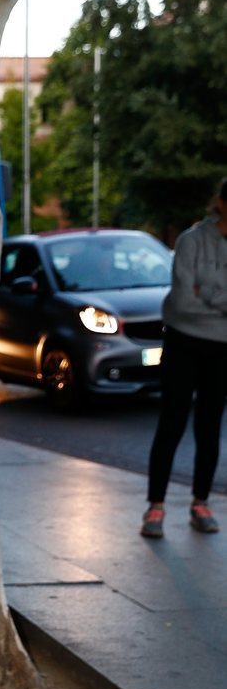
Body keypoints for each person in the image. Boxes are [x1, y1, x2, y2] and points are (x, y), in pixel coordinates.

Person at [142, 178, 227, 537]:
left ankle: (200, 502)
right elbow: (182, 302)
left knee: (210, 428)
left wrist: (205, 291)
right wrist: (218, 300)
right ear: (222, 203)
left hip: (221, 348)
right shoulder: (190, 241)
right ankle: (155, 507)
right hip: (183, 342)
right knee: (171, 423)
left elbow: (197, 296)